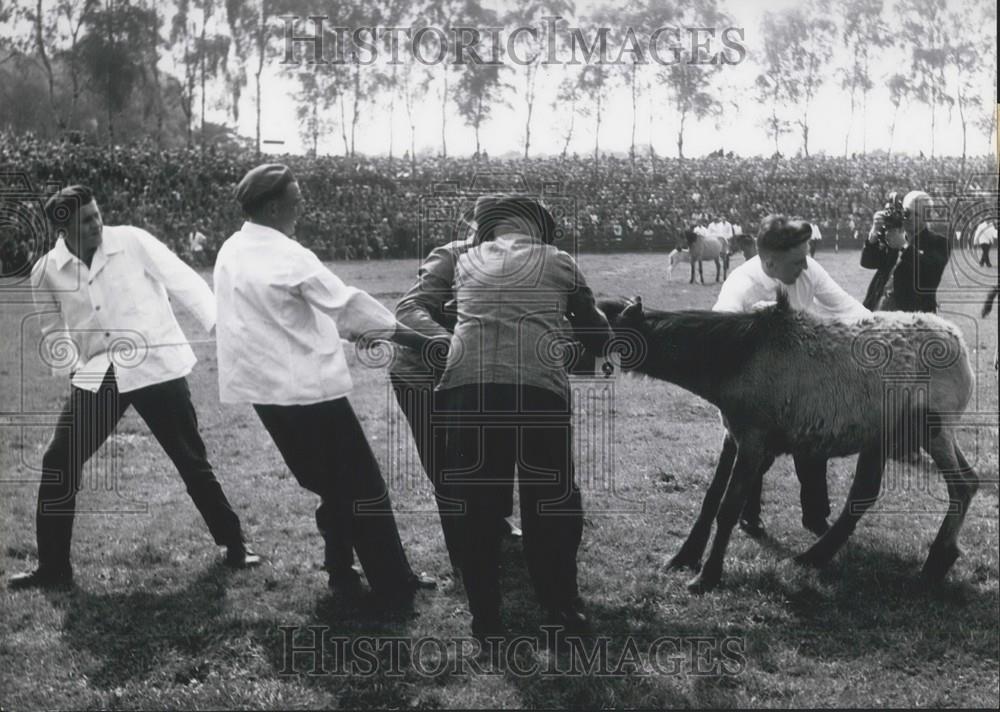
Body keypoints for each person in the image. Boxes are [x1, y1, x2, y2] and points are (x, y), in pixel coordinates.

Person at [10, 185, 259, 590]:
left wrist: (220, 326)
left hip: (155, 365)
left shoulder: (131, 240)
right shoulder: (46, 270)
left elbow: (181, 279)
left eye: (95, 214)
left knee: (190, 459)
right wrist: (73, 367)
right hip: (97, 371)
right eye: (84, 221)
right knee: (59, 462)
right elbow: (52, 329)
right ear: (63, 229)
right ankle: (53, 568)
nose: (96, 224)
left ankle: (235, 545)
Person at [213, 163, 438, 603]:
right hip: (308, 392)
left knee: (334, 485)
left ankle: (341, 572)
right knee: (365, 487)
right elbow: (347, 307)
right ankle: (394, 583)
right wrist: (416, 339)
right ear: (275, 206)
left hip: (265, 393)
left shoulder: (230, 251)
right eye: (296, 203)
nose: (300, 210)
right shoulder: (289, 255)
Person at [436, 195, 612, 642]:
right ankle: (560, 607)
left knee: (475, 507)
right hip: (536, 390)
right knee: (550, 503)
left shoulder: (466, 260)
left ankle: (486, 619)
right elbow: (597, 336)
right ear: (539, 230)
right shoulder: (559, 261)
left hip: (464, 390)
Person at [714, 215, 871, 538]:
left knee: (813, 447)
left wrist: (886, 332)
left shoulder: (808, 268)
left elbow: (848, 308)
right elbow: (716, 338)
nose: (806, 266)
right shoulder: (741, 285)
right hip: (754, 388)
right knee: (754, 454)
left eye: (807, 256)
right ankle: (749, 513)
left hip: (798, 381)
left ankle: (815, 516)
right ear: (769, 261)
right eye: (797, 261)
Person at [389, 205, 521, 579]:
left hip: (477, 377)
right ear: (480, 233)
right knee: (448, 467)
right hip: (422, 377)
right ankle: (463, 553)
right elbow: (409, 310)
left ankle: (496, 525)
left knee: (493, 452)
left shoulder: (517, 266)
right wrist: (454, 345)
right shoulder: (449, 257)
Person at [861, 190, 950, 312]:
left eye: (913, 214)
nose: (906, 218)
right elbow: (868, 263)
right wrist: (874, 233)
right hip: (877, 309)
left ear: (927, 216)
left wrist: (904, 246)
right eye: (905, 212)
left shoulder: (939, 242)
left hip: (911, 317)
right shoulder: (893, 234)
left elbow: (930, 275)